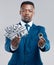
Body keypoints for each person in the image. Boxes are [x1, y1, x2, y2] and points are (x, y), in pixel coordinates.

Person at [5, 1, 50, 65]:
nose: (27, 13)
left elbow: (47, 46)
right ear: (20, 12)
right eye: (24, 10)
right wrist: (13, 46)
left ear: (33, 13)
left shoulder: (40, 29)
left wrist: (43, 45)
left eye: (30, 11)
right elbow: (6, 46)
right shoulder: (12, 29)